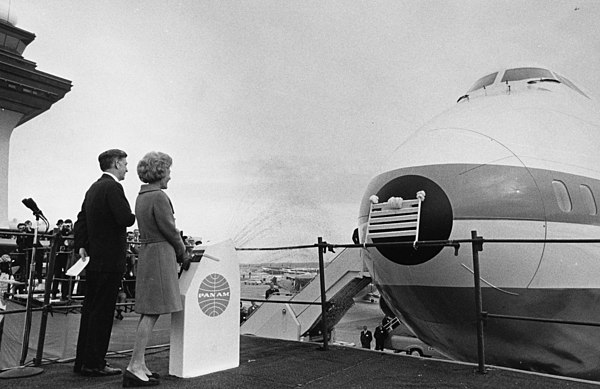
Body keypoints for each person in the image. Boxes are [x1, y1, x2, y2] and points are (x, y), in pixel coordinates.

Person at [124, 151, 188, 387]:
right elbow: (170, 230)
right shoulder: (159, 197)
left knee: (148, 311)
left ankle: (139, 364)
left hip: (149, 253)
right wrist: (183, 252)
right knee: (151, 313)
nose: (170, 176)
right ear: (160, 172)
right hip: (161, 255)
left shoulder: (142, 197)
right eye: (168, 171)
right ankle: (134, 365)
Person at [73, 149, 135, 377]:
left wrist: (81, 244)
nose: (127, 168)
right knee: (103, 314)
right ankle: (95, 363)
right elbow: (124, 218)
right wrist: (134, 215)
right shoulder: (113, 187)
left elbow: (81, 220)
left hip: (93, 260)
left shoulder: (93, 188)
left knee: (91, 311)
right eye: (125, 163)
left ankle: (83, 361)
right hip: (110, 260)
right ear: (117, 163)